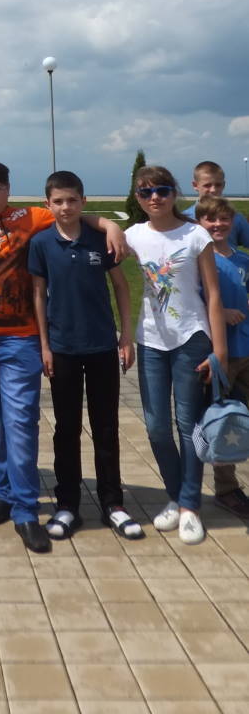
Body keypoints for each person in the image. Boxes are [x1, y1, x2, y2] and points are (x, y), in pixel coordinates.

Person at [0, 160, 127, 554]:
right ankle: (5, 492)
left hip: (20, 340)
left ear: (8, 190)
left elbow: (70, 212)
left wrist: (109, 224)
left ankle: (25, 510)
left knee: (21, 422)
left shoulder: (30, 218)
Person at [29, 170, 143, 541]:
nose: (65, 207)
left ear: (83, 201)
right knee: (66, 429)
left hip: (101, 347)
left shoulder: (99, 239)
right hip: (62, 349)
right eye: (58, 201)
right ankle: (68, 504)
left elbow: (121, 288)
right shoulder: (41, 243)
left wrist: (126, 336)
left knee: (106, 427)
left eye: (72, 200)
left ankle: (113, 503)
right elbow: (38, 295)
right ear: (48, 204)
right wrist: (44, 346)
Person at [126, 165, 227, 545]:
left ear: (174, 193)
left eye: (162, 190)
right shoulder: (134, 235)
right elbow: (85, 222)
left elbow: (212, 294)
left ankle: (189, 506)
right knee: (156, 426)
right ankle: (176, 494)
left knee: (188, 425)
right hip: (151, 341)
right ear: (138, 197)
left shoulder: (195, 234)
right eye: (146, 192)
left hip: (191, 338)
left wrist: (219, 350)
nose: (155, 198)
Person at [195, 196, 249, 521]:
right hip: (220, 353)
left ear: (233, 222)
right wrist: (220, 312)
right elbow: (190, 302)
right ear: (200, 223)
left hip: (246, 347)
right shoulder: (199, 260)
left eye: (223, 219)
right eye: (210, 220)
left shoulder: (243, 260)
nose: (217, 225)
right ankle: (227, 488)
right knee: (225, 420)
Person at [183, 161, 249, 248]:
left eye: (218, 185)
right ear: (195, 185)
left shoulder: (236, 218)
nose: (213, 190)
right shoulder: (185, 219)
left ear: (223, 185)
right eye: (207, 185)